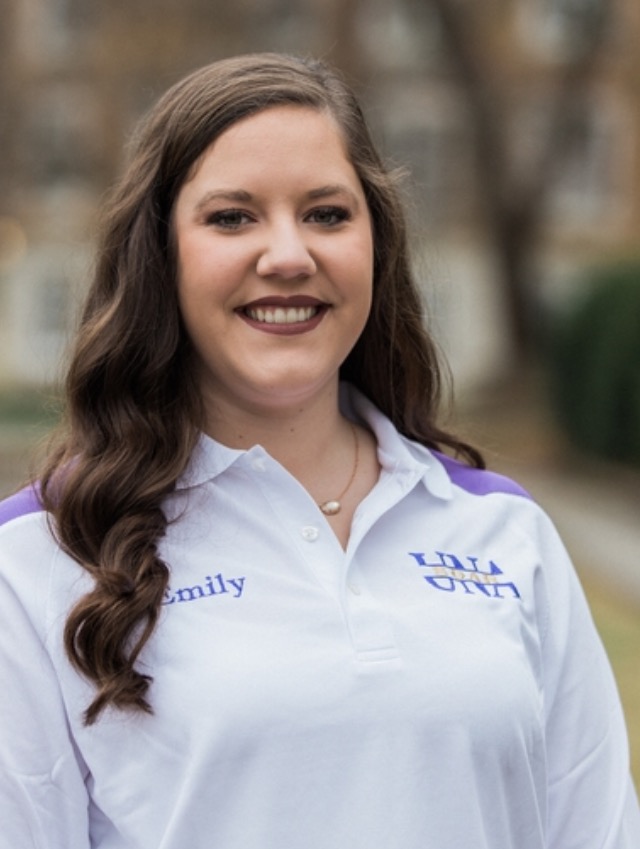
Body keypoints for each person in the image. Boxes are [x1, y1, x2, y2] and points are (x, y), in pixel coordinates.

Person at [0, 52, 638, 849]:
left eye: (327, 214)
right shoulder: (41, 556)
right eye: (232, 217)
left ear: (375, 245)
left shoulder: (506, 532)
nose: (288, 254)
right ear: (160, 256)